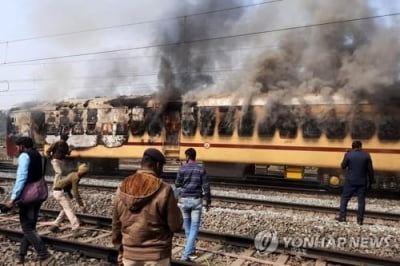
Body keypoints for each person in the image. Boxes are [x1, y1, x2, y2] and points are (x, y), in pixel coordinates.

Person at [112, 148, 182, 266]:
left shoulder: (122, 187)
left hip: (130, 256)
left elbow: (116, 224)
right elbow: (175, 226)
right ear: (158, 165)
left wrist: (120, 249)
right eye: (162, 167)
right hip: (156, 256)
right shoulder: (165, 189)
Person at [5, 137, 53, 265]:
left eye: (17, 146)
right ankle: (21, 255)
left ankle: (45, 255)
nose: (16, 148)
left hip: (29, 196)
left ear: (22, 146)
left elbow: (21, 178)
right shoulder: (38, 154)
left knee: (27, 228)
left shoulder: (24, 156)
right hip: (39, 193)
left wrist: (13, 198)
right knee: (30, 227)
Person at [175, 148, 211, 262]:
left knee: (188, 227)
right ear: (195, 157)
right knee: (194, 227)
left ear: (187, 157)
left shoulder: (182, 168)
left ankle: (191, 251)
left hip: (185, 201)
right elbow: (206, 186)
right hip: (196, 201)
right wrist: (208, 201)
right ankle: (186, 255)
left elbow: (177, 184)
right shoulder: (201, 169)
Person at [337, 140, 374, 225]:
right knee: (361, 201)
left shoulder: (349, 154)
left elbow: (343, 166)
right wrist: (371, 181)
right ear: (361, 146)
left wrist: (345, 155)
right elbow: (370, 170)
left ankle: (342, 217)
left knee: (345, 198)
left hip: (350, 181)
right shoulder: (366, 155)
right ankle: (360, 220)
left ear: (352, 147)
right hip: (362, 181)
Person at [48, 163, 89, 236]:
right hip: (60, 192)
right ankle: (76, 229)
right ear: (84, 173)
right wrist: (81, 205)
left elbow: (67, 185)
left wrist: (70, 195)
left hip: (58, 191)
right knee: (69, 210)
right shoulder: (76, 178)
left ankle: (55, 226)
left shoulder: (73, 174)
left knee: (65, 210)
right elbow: (76, 191)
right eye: (85, 173)